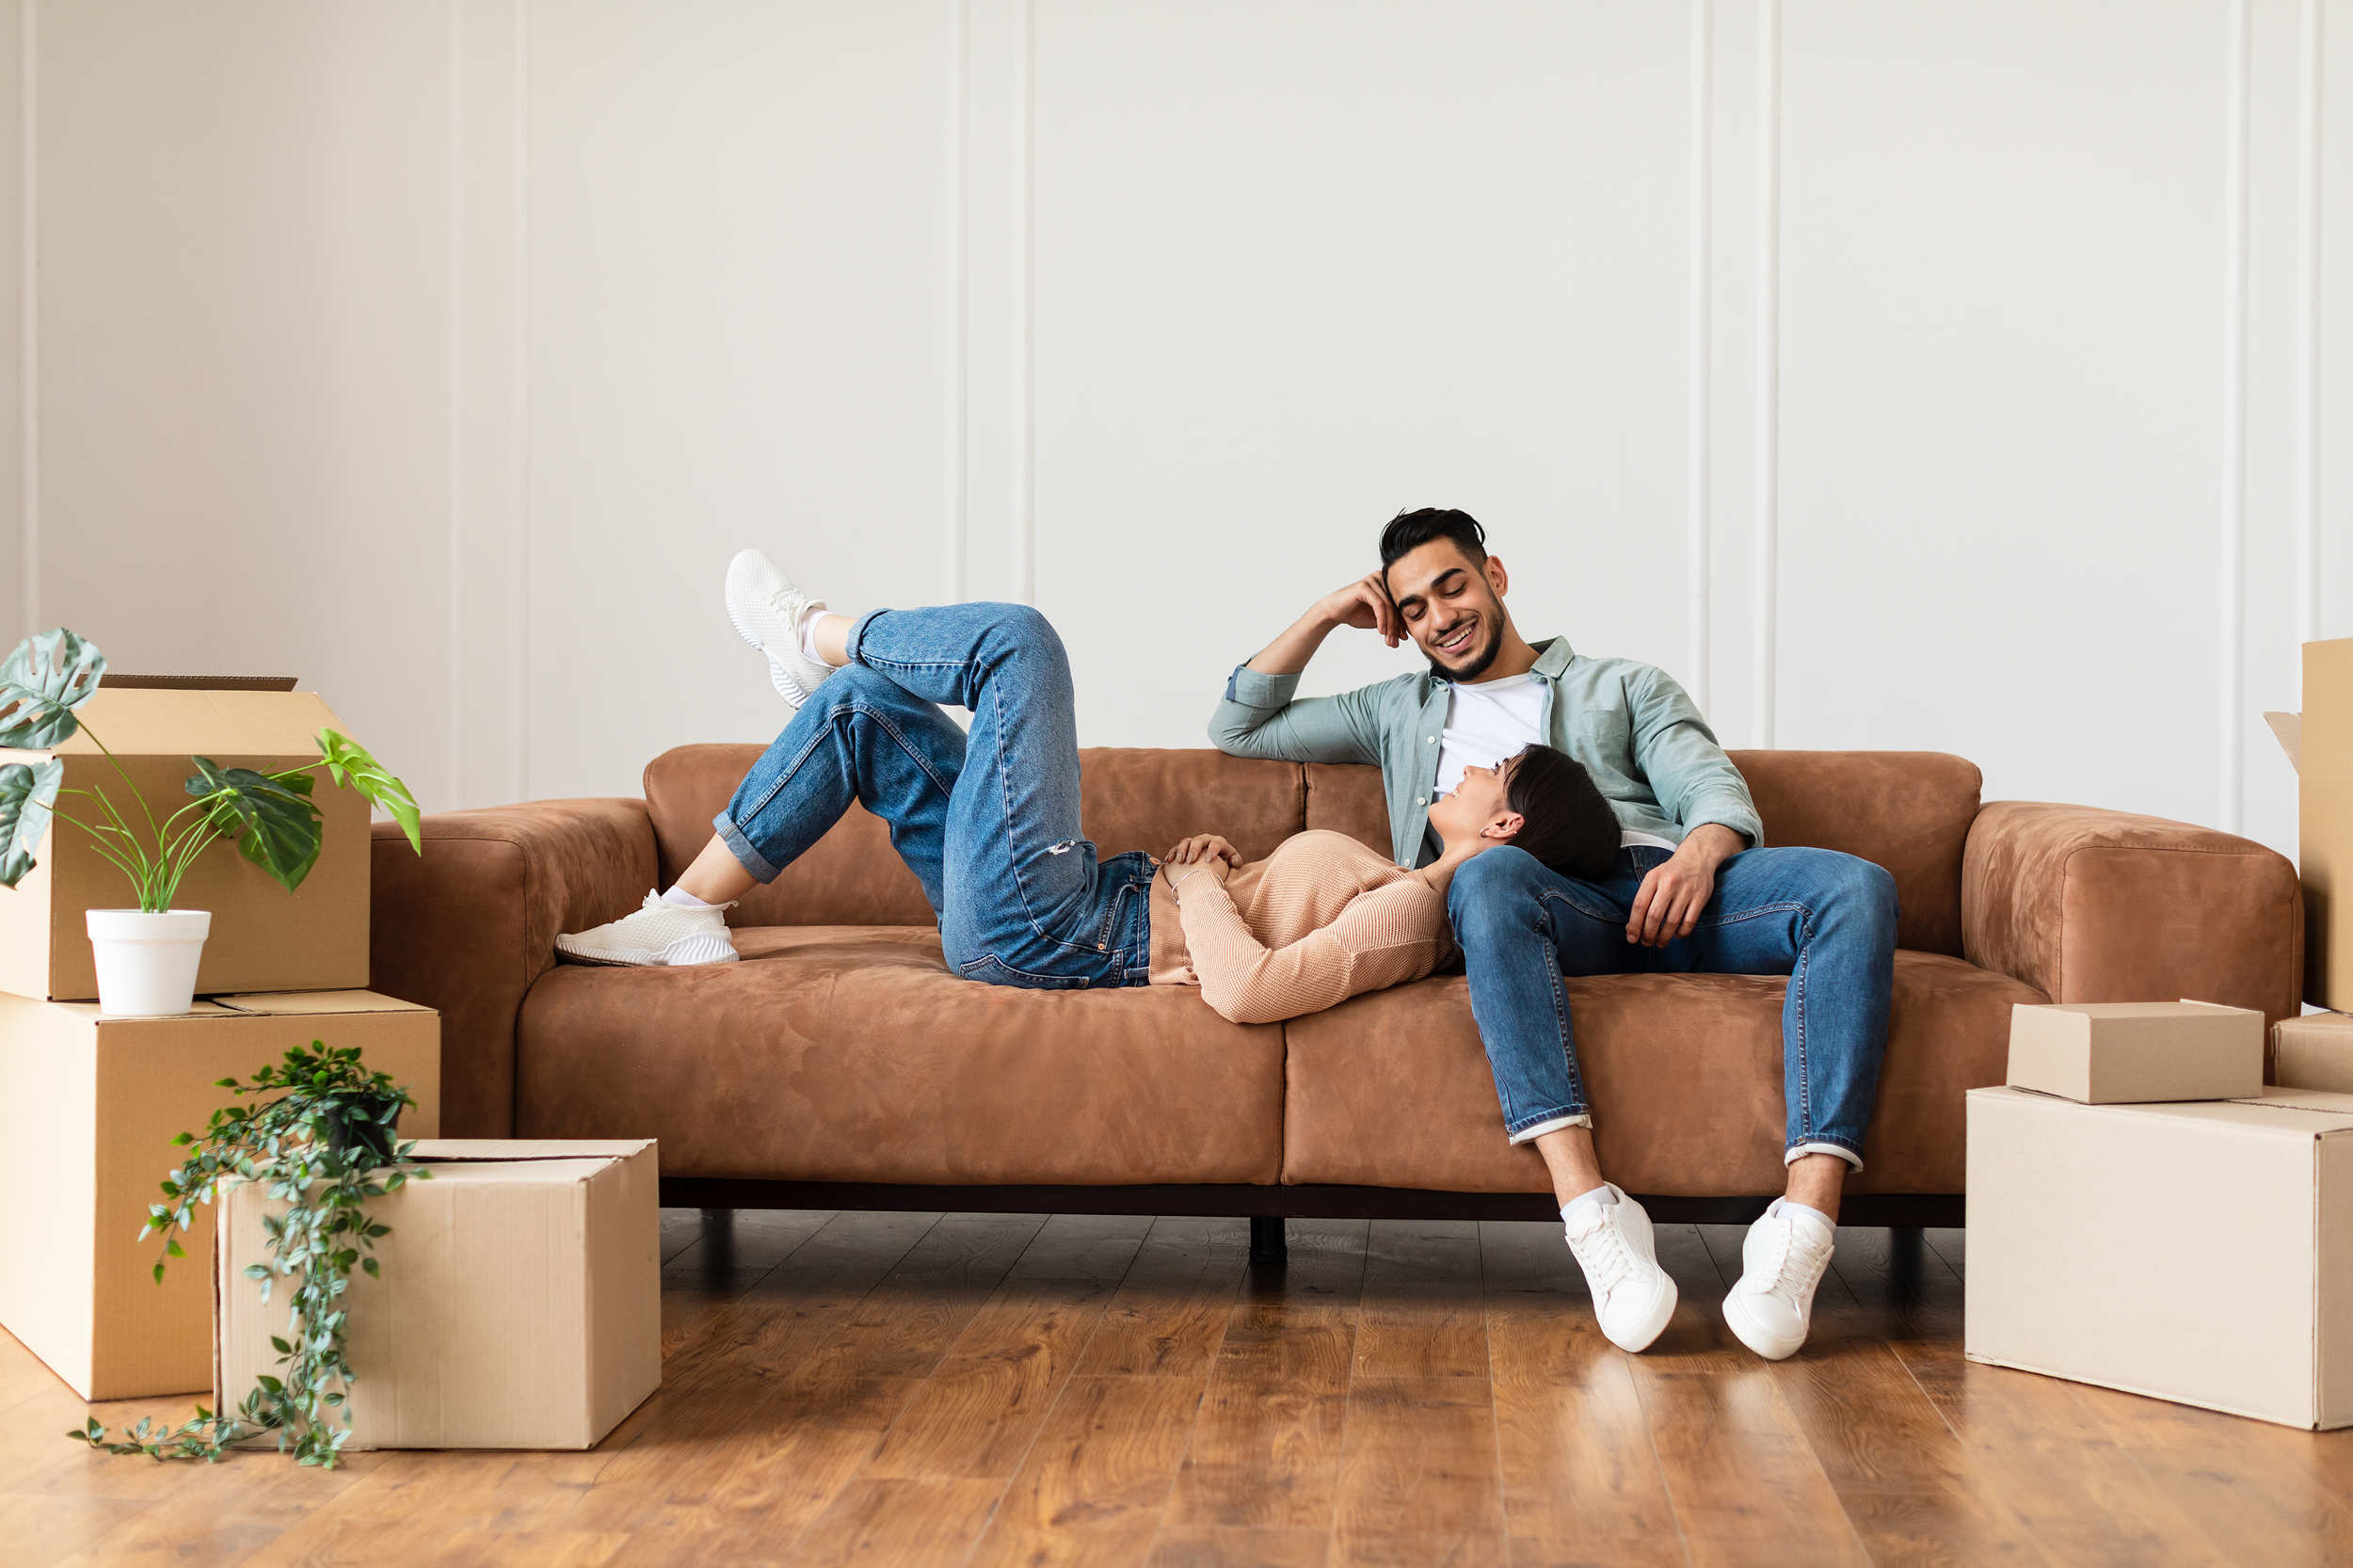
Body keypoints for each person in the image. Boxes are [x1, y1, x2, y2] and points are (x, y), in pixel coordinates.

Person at [1209, 507, 1898, 1361]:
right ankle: (1595, 1222)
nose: (1438, 617)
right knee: (1488, 874)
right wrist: (1323, 614)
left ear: (1494, 577)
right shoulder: (1394, 709)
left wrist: (1698, 854)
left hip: (1674, 887)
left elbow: (1712, 789)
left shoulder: (1625, 685)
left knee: (1855, 887)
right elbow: (1237, 725)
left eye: (1451, 587)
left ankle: (1800, 1229)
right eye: (1412, 607)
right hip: (1536, 907)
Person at [552, 551, 1625, 1030]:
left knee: (1019, 643)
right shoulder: (1403, 881)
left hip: (1059, 931)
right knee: (865, 708)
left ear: (1504, 821)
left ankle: (807, 630)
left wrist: (1199, 883)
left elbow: (1249, 991)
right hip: (1074, 910)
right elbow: (1243, 747)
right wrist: (1228, 871)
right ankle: (687, 915)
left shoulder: (1414, 908)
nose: (1472, 762)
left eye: (1490, 769)